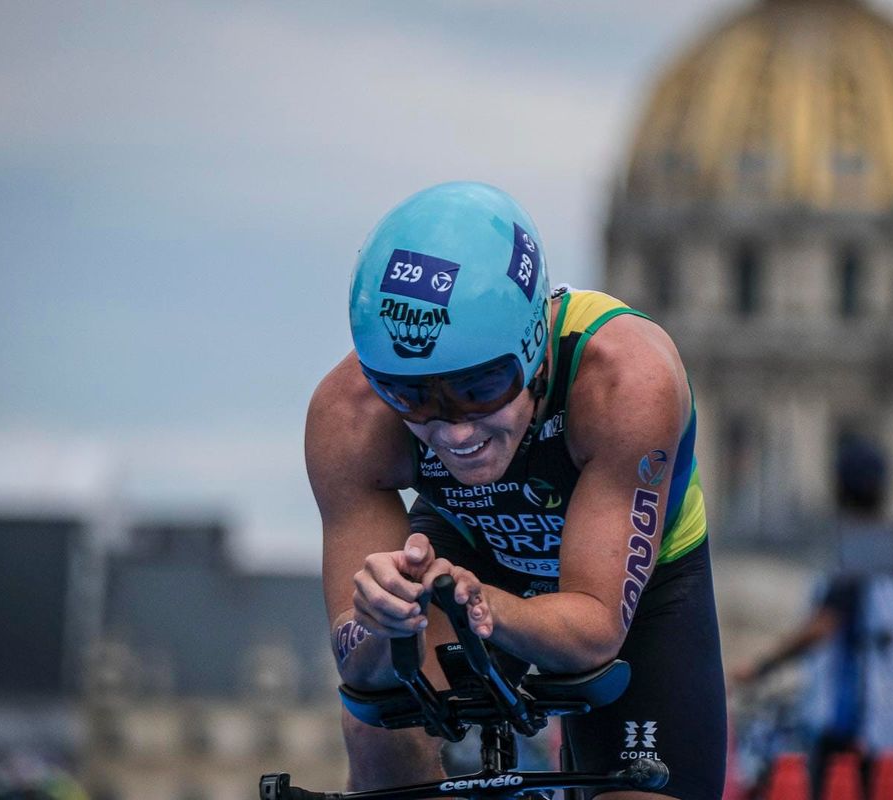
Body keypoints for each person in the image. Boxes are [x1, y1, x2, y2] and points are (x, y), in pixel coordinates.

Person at [305, 182, 726, 798]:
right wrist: (376, 623)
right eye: (412, 396)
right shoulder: (349, 414)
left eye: (480, 388)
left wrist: (491, 608)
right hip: (470, 546)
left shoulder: (625, 378)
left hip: (637, 581)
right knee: (376, 716)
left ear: (533, 348)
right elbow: (358, 665)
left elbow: (593, 631)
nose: (453, 429)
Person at [732, 437, 893, 793]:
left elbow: (825, 623)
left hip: (855, 729)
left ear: (839, 489)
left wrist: (760, 665)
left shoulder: (865, 546)